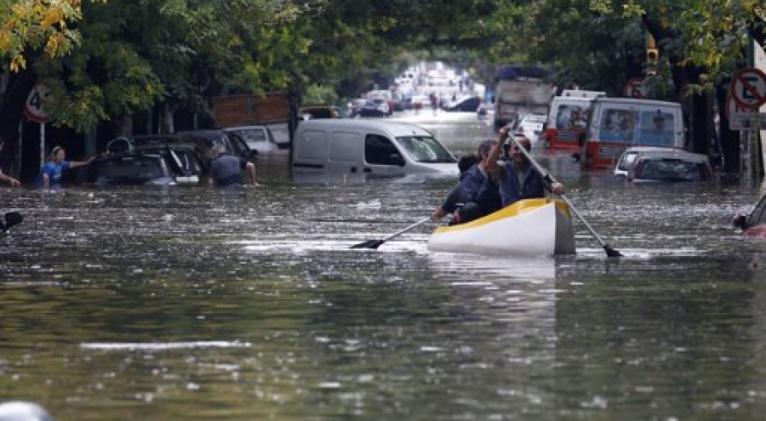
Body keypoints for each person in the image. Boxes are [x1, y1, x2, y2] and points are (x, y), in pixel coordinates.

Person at [483, 127, 564, 208]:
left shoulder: (538, 170)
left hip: (533, 211)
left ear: (528, 151)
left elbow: (552, 185)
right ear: (510, 151)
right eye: (516, 149)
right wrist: (501, 139)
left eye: (524, 148)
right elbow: (490, 165)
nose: (520, 152)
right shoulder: (503, 168)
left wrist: (557, 187)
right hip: (511, 211)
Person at [432, 139, 502, 224]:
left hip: (498, 216)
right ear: (484, 155)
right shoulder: (470, 178)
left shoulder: (504, 171)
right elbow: (477, 202)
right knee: (471, 207)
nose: (499, 157)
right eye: (496, 154)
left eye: (500, 153)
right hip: (479, 217)